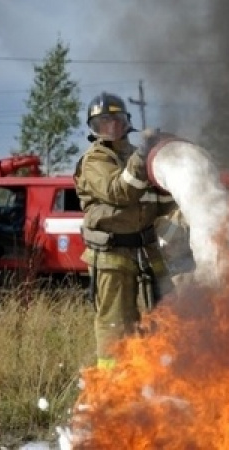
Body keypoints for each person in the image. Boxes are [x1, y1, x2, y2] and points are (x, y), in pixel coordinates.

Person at [73, 92, 180, 370]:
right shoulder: (95, 160)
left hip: (147, 253)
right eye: (103, 122)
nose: (111, 127)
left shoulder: (138, 156)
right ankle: (111, 383)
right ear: (94, 128)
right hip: (112, 255)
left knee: (164, 317)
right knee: (116, 326)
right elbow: (119, 192)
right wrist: (143, 155)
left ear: (125, 122)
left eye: (116, 120)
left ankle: (157, 376)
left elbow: (157, 202)